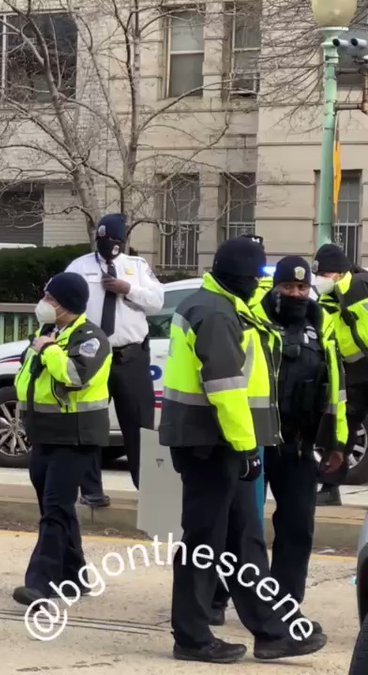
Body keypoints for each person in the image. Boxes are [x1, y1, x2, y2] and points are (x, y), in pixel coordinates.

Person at [159, 237, 326, 663]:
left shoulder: (225, 306)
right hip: (210, 442)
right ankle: (193, 637)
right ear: (241, 278)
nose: (258, 286)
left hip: (217, 441)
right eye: (255, 278)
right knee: (204, 541)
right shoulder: (215, 314)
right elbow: (226, 389)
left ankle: (271, 632)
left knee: (244, 541)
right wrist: (248, 447)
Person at [210, 257, 345, 627]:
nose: (296, 294)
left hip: (299, 445)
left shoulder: (323, 326)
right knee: (239, 527)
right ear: (275, 288)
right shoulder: (251, 321)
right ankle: (218, 596)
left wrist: (338, 443)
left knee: (298, 525)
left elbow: (336, 390)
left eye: (302, 288)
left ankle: (286, 602)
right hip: (256, 442)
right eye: (288, 287)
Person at [10, 272, 112, 606]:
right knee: (56, 508)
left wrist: (50, 350)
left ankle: (41, 582)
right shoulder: (47, 333)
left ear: (67, 304)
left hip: (75, 437)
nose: (45, 303)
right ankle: (76, 575)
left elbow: (74, 376)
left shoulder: (91, 338)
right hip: (43, 433)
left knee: (54, 509)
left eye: (51, 299)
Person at [65, 214, 162, 506]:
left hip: (130, 356)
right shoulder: (79, 267)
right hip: (93, 356)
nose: (111, 246)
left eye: (117, 240)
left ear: (124, 241)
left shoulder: (137, 267)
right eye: (106, 240)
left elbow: (157, 302)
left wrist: (127, 289)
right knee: (91, 424)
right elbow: (61, 301)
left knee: (139, 425)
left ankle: (149, 492)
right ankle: (91, 491)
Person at [311, 243, 368, 506]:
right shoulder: (330, 297)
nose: (320, 280)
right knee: (342, 430)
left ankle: (330, 486)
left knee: (345, 427)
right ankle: (330, 486)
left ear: (337, 273)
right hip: (355, 372)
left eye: (323, 274)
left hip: (360, 369)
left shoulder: (359, 289)